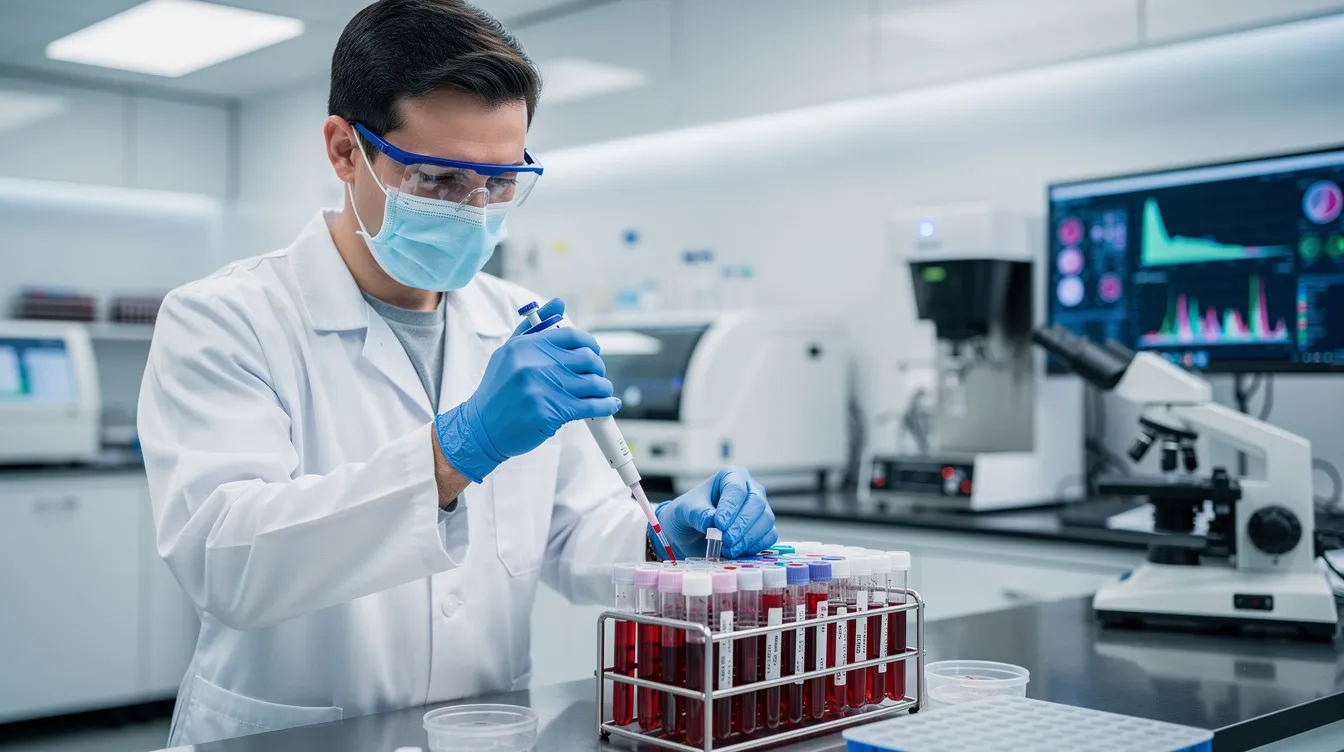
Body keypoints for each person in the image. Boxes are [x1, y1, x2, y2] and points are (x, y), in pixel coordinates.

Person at [136, 0, 777, 745]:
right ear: (345, 151)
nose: (474, 211)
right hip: (291, 734)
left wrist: (659, 536)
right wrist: (456, 450)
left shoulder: (517, 324)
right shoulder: (224, 318)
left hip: (483, 730)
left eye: (501, 182)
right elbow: (226, 564)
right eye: (439, 178)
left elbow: (574, 533)